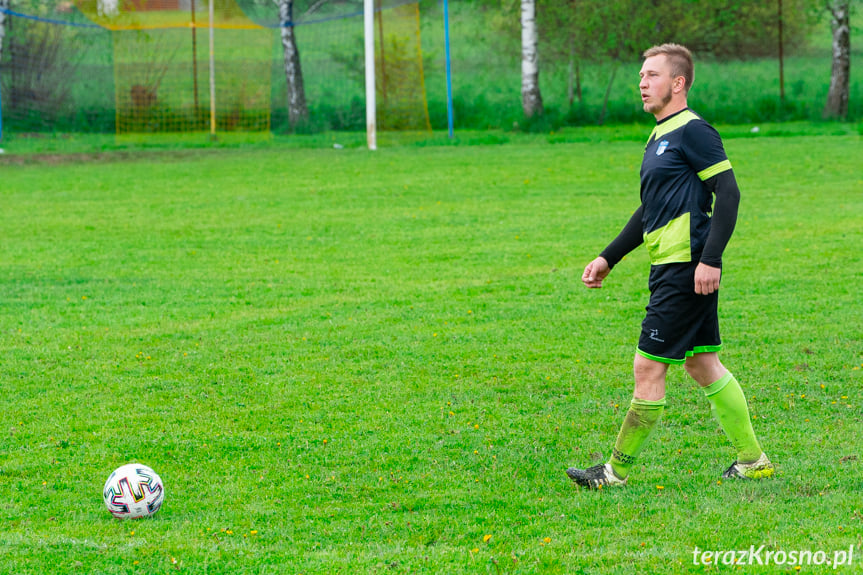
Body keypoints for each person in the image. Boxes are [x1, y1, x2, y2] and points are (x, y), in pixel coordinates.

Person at [566, 44, 773, 488]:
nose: (642, 83)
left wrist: (710, 259)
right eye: (641, 75)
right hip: (670, 265)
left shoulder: (693, 131)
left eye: (653, 75)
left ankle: (613, 472)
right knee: (702, 364)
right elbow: (650, 209)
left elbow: (729, 192)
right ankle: (752, 459)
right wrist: (609, 257)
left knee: (648, 368)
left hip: (686, 267)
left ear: (678, 84)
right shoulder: (659, 134)